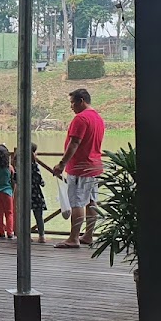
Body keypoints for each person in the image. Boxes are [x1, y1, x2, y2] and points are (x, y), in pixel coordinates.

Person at [52, 88, 105, 249]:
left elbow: (74, 143)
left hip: (80, 167)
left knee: (77, 202)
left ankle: (73, 238)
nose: (71, 107)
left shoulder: (81, 119)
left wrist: (62, 164)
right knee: (92, 202)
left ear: (81, 101)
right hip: (95, 166)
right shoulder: (98, 118)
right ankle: (88, 235)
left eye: (72, 103)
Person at [30, 142, 47, 244]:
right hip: (36, 194)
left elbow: (15, 178)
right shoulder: (34, 166)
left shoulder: (19, 165)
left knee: (25, 216)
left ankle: (26, 235)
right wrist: (43, 183)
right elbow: (39, 180)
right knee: (39, 216)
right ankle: (41, 236)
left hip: (24, 194)